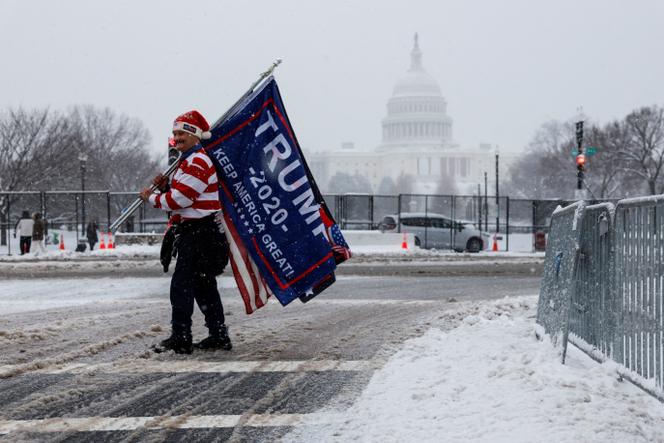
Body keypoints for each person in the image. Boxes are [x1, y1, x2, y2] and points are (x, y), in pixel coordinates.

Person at [140, 110, 231, 355]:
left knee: (182, 285)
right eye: (174, 133)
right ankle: (218, 334)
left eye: (182, 133)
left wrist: (154, 198)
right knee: (203, 286)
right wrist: (166, 186)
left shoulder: (197, 161)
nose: (177, 137)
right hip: (200, 233)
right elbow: (182, 192)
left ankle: (181, 336)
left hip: (201, 234)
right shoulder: (187, 162)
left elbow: (181, 199)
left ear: (194, 135)